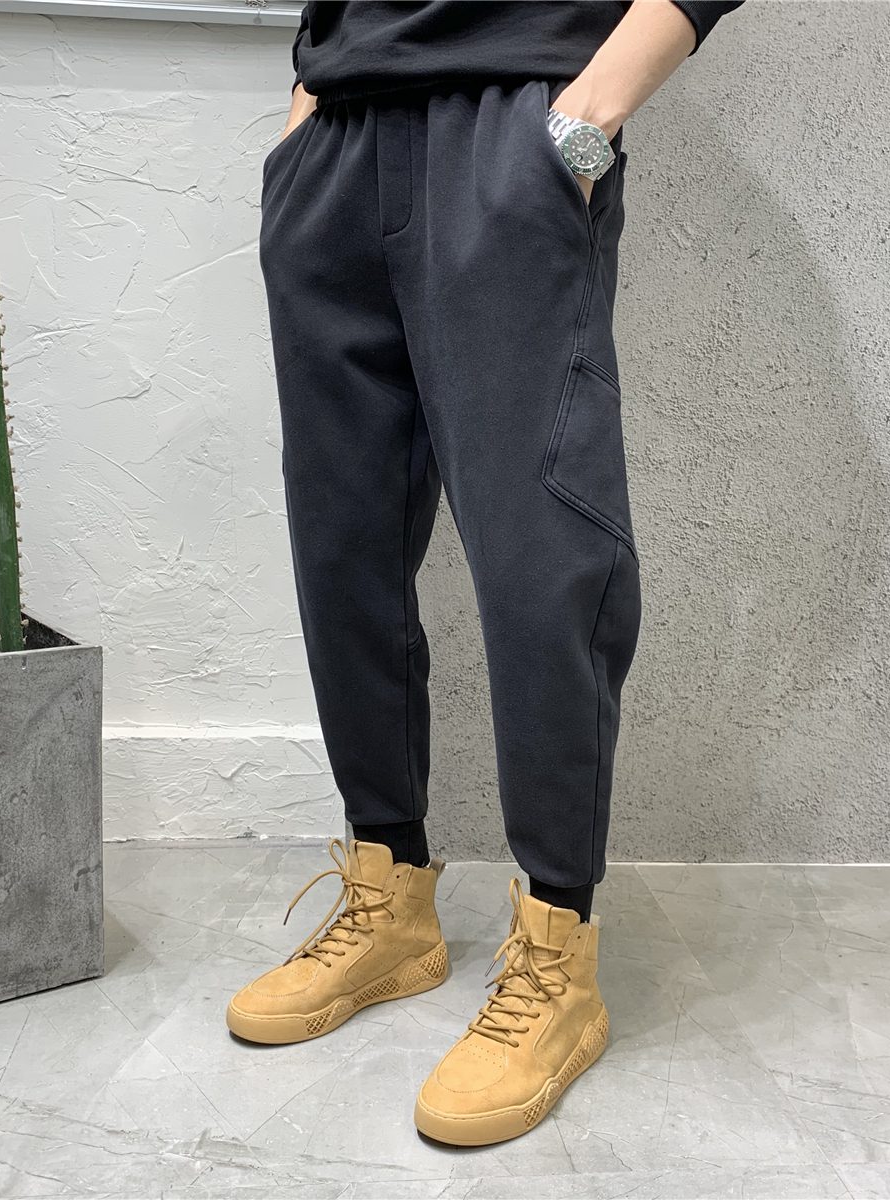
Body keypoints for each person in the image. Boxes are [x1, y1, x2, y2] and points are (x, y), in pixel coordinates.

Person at [227, 0, 744, 1146]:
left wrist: (590, 111)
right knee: (342, 542)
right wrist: (307, 104)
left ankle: (559, 956)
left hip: (512, 131)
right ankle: (389, 899)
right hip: (338, 142)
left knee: (539, 554)